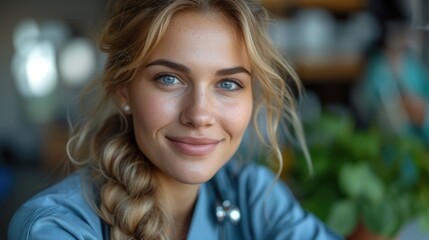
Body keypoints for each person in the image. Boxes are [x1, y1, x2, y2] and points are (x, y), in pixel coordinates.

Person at [8, 0, 341, 239]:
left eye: (228, 84)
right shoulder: (54, 226)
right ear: (124, 90)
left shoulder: (252, 195)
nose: (199, 114)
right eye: (169, 78)